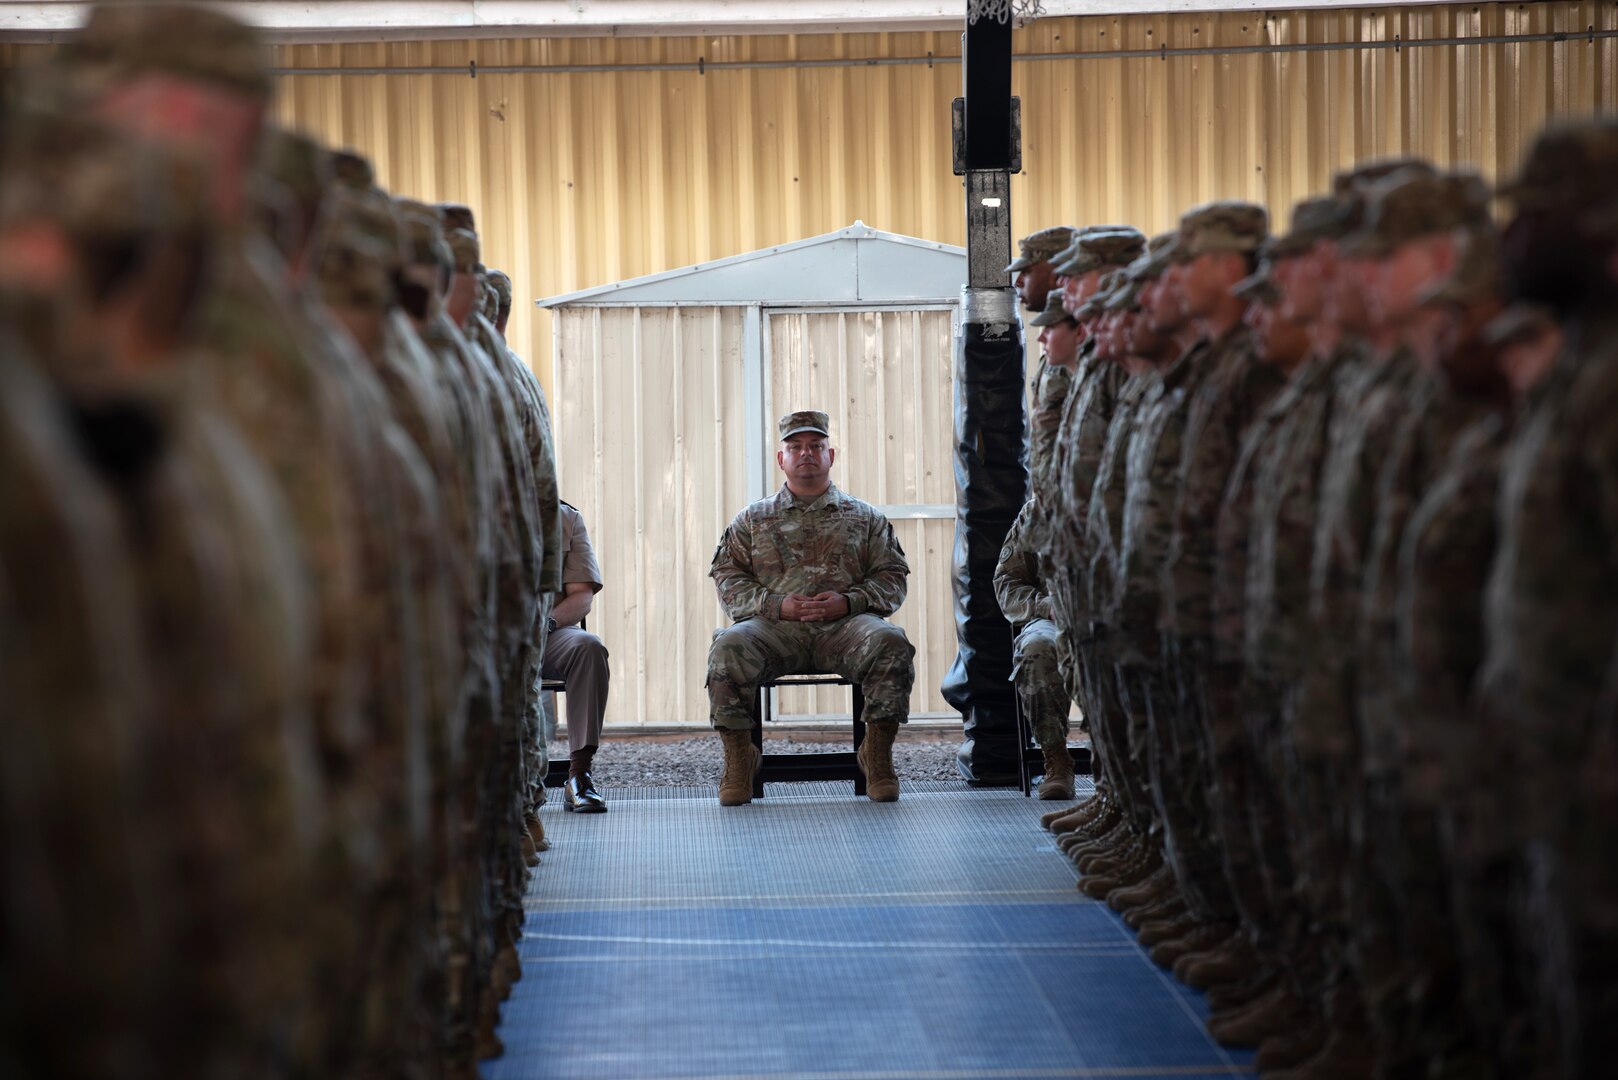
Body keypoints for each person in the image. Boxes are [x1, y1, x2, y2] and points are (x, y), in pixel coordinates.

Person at [707, 410, 915, 806]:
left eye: (815, 446)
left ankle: (877, 755)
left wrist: (849, 601)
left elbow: (892, 577)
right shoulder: (752, 520)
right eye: (795, 447)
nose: (806, 454)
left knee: (890, 641)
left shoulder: (865, 518)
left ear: (830, 456)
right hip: (774, 631)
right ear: (781, 459)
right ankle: (739, 758)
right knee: (727, 647)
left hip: (846, 630)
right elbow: (728, 578)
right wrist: (775, 604)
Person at [542, 501, 611, 812]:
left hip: (545, 633)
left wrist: (546, 623)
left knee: (587, 647)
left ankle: (578, 775)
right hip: (483, 637)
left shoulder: (563, 518)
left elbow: (581, 595)